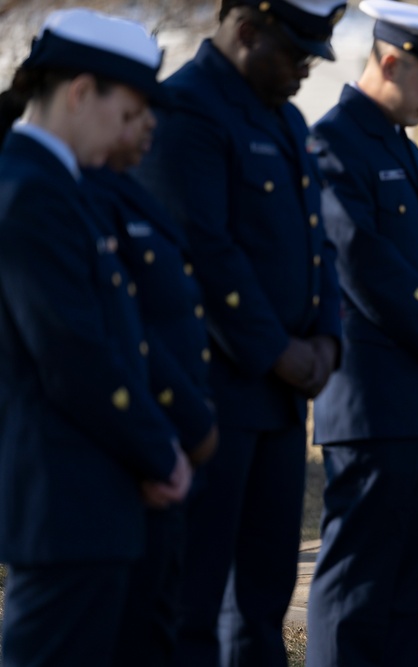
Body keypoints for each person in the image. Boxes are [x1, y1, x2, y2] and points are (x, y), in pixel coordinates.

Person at [134, 1, 346, 664]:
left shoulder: (283, 115)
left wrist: (328, 339)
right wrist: (277, 349)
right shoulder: (186, 111)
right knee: (197, 602)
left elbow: (320, 244)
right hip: (216, 393)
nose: (304, 72)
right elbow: (204, 249)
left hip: (281, 398)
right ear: (247, 31)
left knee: (262, 596)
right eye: (294, 55)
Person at [0, 9, 192, 666]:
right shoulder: (30, 190)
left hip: (95, 500)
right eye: (127, 111)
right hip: (64, 506)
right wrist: (158, 450)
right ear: (81, 92)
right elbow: (72, 352)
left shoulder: (64, 185)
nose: (128, 134)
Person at [306, 2, 418, 665]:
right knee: (357, 578)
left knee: (405, 583)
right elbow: (359, 258)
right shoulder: (334, 142)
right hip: (371, 398)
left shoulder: (396, 145)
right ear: (390, 61)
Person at [84, 98, 220, 667]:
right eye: (136, 113)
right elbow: (99, 343)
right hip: (129, 457)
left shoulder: (129, 187)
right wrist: (175, 436)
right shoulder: (68, 194)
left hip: (168, 442)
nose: (149, 128)